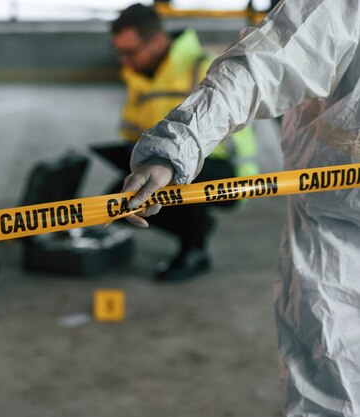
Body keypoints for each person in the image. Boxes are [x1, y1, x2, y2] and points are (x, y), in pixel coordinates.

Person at [119, 0, 360, 415]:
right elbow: (257, 68)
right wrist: (173, 147)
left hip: (312, 198)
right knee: (329, 374)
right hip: (334, 216)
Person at [104, 3, 259, 282]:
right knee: (118, 199)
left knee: (181, 176)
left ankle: (194, 251)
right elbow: (132, 130)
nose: (124, 61)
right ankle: (196, 224)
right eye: (119, 53)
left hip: (230, 171)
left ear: (157, 42)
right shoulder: (139, 78)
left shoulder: (203, 67)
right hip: (172, 162)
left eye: (129, 52)